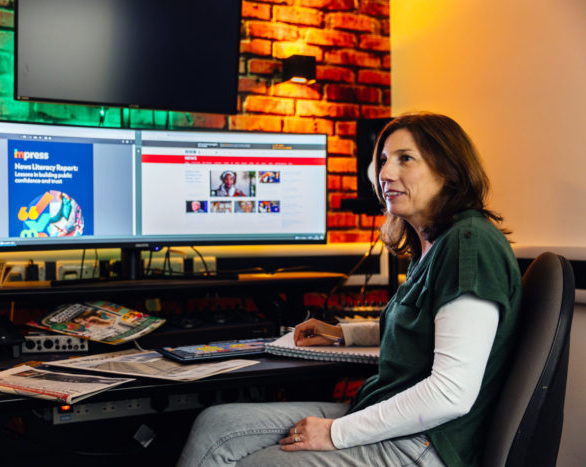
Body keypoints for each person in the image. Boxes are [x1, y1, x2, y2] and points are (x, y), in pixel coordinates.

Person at [178, 112, 522, 467]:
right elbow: (427, 328)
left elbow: (451, 394)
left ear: (449, 170)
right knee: (214, 424)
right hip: (387, 416)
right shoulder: (435, 245)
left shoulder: (470, 245)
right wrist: (343, 334)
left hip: (425, 443)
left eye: (406, 158)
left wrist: (334, 433)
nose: (385, 173)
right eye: (385, 160)